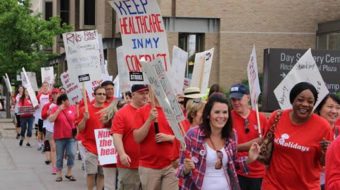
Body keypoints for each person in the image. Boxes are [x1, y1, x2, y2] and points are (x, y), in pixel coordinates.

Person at [177, 93, 260, 190]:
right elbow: (180, 171)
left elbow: (233, 164)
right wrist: (186, 169)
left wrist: (249, 158)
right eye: (217, 112)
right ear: (208, 115)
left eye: (225, 112)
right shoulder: (193, 135)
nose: (221, 116)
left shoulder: (232, 135)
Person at [261, 82, 333, 190]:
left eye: (310, 102)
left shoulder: (323, 127)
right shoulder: (277, 117)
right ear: (292, 100)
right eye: (300, 99)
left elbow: (324, 163)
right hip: (273, 185)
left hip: (307, 186)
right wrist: (237, 147)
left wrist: (326, 153)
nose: (305, 104)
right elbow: (264, 142)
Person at [133, 90, 178, 190]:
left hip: (171, 165)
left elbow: (183, 137)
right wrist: (149, 120)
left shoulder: (172, 111)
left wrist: (169, 138)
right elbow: (137, 138)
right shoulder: (141, 111)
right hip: (149, 166)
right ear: (151, 91)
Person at [229, 84, 268, 190]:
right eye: (233, 99)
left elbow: (268, 144)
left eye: (239, 98)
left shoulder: (261, 119)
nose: (236, 102)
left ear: (248, 97)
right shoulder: (227, 118)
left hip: (258, 173)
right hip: (236, 171)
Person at [112, 84, 149, 190]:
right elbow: (117, 136)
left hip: (150, 166)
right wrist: (122, 154)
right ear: (133, 95)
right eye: (141, 93)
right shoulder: (122, 113)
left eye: (147, 93)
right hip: (129, 165)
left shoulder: (152, 111)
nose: (145, 96)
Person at [77, 87, 107, 190]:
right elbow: (80, 129)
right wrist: (85, 119)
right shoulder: (85, 109)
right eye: (99, 94)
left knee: (102, 173)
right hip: (90, 147)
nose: (102, 96)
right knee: (91, 173)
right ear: (94, 95)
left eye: (104, 94)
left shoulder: (109, 109)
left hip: (104, 147)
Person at [49, 94, 77, 182]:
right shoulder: (55, 108)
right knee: (59, 156)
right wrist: (58, 110)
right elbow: (51, 119)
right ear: (63, 101)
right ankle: (59, 174)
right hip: (59, 137)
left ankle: (69, 172)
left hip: (70, 137)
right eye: (68, 100)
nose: (70, 101)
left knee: (72, 153)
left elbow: (76, 121)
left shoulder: (73, 108)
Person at [315, 94, 340, 190]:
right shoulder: (310, 131)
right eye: (330, 107)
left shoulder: (339, 132)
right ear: (319, 109)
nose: (334, 111)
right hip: (312, 181)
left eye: (338, 108)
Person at [41, 88, 60, 174]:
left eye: (57, 93)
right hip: (49, 129)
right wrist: (48, 113)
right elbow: (42, 116)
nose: (55, 95)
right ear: (51, 95)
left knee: (59, 149)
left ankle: (59, 164)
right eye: (54, 93)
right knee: (53, 148)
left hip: (60, 129)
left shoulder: (62, 105)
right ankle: (54, 167)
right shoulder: (47, 105)